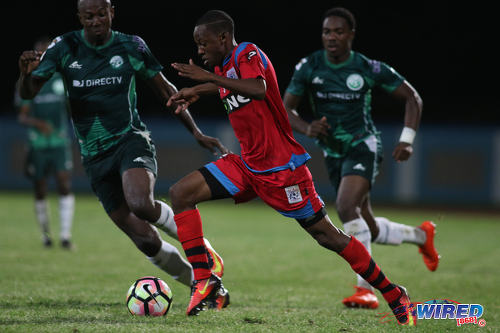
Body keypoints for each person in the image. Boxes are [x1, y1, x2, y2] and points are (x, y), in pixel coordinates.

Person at [167, 9, 416, 325]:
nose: (199, 50)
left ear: (223, 37)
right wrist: (196, 91)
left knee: (329, 237)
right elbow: (228, 86)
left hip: (283, 170)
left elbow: (257, 88)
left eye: (203, 43)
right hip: (248, 165)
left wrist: (209, 79)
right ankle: (204, 280)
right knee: (181, 194)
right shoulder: (224, 67)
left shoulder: (248, 52)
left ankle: (394, 292)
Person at [17, 0, 229, 306]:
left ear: (111, 13)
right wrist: (25, 75)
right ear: (79, 17)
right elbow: (29, 92)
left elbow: (165, 89)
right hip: (94, 157)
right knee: (145, 240)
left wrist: (195, 132)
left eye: (101, 14)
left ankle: (202, 250)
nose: (95, 21)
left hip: (131, 140)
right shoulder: (64, 47)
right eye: (88, 16)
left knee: (140, 203)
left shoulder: (131, 46)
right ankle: (207, 287)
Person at [283, 7, 439, 309]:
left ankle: (364, 290)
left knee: (345, 206)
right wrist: (307, 127)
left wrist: (406, 141)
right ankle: (421, 235)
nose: (332, 37)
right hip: (333, 151)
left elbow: (412, 98)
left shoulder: (368, 68)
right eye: (327, 31)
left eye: (338, 31)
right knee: (367, 225)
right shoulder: (309, 66)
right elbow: (286, 109)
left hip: (363, 146)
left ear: (351, 35)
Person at [15, 36, 75, 249]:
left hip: (59, 142)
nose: (42, 57)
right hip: (38, 144)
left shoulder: (60, 79)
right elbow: (22, 115)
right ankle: (46, 235)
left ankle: (66, 236)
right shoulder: (28, 80)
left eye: (46, 52)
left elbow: (75, 105)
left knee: (64, 184)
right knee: (40, 188)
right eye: (39, 54)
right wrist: (38, 123)